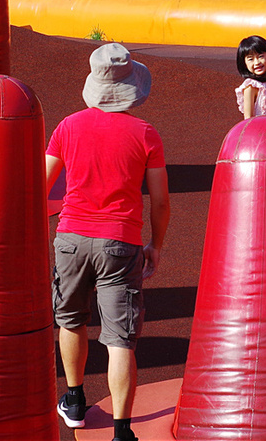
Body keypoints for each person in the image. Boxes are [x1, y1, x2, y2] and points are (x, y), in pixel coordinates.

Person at [46, 43, 170, 441]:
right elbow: (161, 201)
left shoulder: (68, 126)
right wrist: (156, 245)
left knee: (70, 320)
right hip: (120, 240)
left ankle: (75, 399)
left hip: (72, 238)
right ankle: (121, 432)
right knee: (119, 340)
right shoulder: (146, 133)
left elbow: (38, 184)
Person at [235, 35, 266, 119]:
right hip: (260, 129)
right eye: (251, 59)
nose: (257, 62)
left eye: (261, 56)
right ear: (244, 63)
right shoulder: (251, 86)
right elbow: (248, 118)